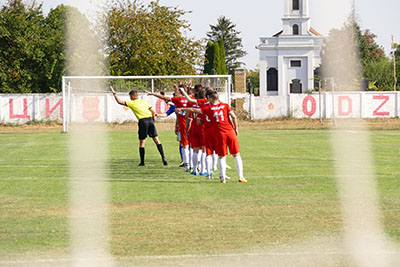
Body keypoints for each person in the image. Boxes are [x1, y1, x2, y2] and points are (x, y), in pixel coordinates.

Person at [177, 91, 247, 184]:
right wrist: (236, 128)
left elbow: (194, 110)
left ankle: (222, 177)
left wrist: (182, 108)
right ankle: (241, 176)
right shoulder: (225, 105)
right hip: (230, 132)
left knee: (222, 156)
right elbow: (234, 117)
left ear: (210, 99)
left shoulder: (209, 108)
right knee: (236, 154)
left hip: (220, 134)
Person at [110, 86, 167, 166]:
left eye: (130, 97)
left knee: (142, 142)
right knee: (156, 140)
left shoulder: (132, 102)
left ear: (133, 96)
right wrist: (153, 120)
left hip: (143, 121)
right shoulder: (144, 101)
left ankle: (142, 162)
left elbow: (119, 102)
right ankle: (163, 158)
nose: (130, 98)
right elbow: (153, 111)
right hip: (150, 120)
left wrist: (114, 93)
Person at [145, 85, 192, 171]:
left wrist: (152, 93)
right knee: (193, 145)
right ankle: (196, 165)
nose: (175, 92)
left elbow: (164, 97)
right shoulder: (192, 99)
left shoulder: (178, 100)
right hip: (193, 124)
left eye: (177, 90)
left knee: (185, 145)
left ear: (181, 92)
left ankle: (187, 165)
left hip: (184, 126)